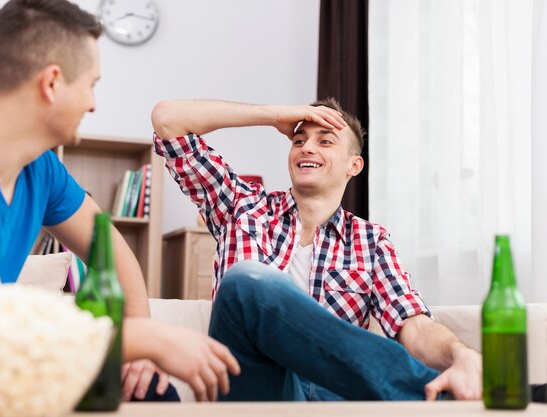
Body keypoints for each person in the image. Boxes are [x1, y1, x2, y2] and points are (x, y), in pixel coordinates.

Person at [0, 0, 238, 403]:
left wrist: (137, 348)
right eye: (91, 84)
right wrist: (142, 337)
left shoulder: (41, 169)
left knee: (149, 391)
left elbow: (112, 249)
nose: (93, 103)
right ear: (52, 83)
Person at [151, 98, 482, 401]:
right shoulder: (240, 207)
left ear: (354, 165)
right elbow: (167, 120)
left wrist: (460, 354)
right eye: (299, 140)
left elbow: (414, 325)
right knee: (244, 283)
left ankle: (452, 396)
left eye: (325, 141)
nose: (307, 147)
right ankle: (442, 402)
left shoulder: (372, 241)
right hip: (257, 392)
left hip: (333, 398)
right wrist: (273, 115)